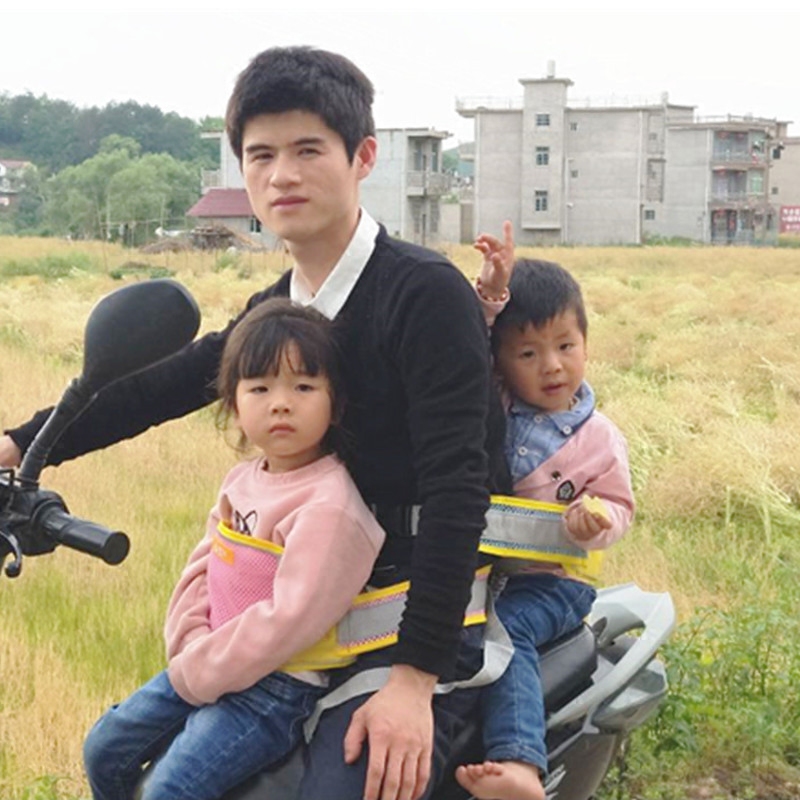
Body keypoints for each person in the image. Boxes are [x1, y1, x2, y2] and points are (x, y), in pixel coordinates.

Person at [1, 47, 505, 800]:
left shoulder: (422, 294)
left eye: (308, 150)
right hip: (295, 613)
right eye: (261, 155)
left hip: (404, 617)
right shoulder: (282, 307)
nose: (282, 175)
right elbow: (168, 383)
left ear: (363, 157)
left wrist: (413, 678)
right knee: (114, 753)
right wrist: (20, 442)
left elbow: (460, 487)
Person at [83, 298, 386, 800]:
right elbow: (205, 563)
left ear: (336, 403)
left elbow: (288, 621)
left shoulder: (330, 506)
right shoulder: (242, 480)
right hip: (208, 659)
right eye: (260, 388)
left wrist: (203, 670)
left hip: (274, 689)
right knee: (104, 749)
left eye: (303, 387)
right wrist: (189, 640)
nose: (280, 403)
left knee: (169, 789)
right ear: (234, 403)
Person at [455, 224, 634, 800]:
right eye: (528, 353)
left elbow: (620, 505)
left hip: (553, 584)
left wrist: (596, 517)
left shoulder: (598, 438)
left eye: (565, 346)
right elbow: (467, 343)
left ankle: (520, 761)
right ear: (501, 362)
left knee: (507, 634)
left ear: (586, 343)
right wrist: (491, 291)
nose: (552, 365)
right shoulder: (494, 403)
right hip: (482, 575)